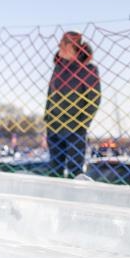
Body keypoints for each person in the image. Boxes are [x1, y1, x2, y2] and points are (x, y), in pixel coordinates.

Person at [44, 31, 101, 178]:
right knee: (54, 170)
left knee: (75, 171)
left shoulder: (88, 70)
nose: (59, 46)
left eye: (62, 43)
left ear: (71, 46)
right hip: (54, 128)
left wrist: (82, 125)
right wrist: (47, 119)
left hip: (75, 129)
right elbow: (50, 95)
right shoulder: (58, 68)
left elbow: (94, 100)